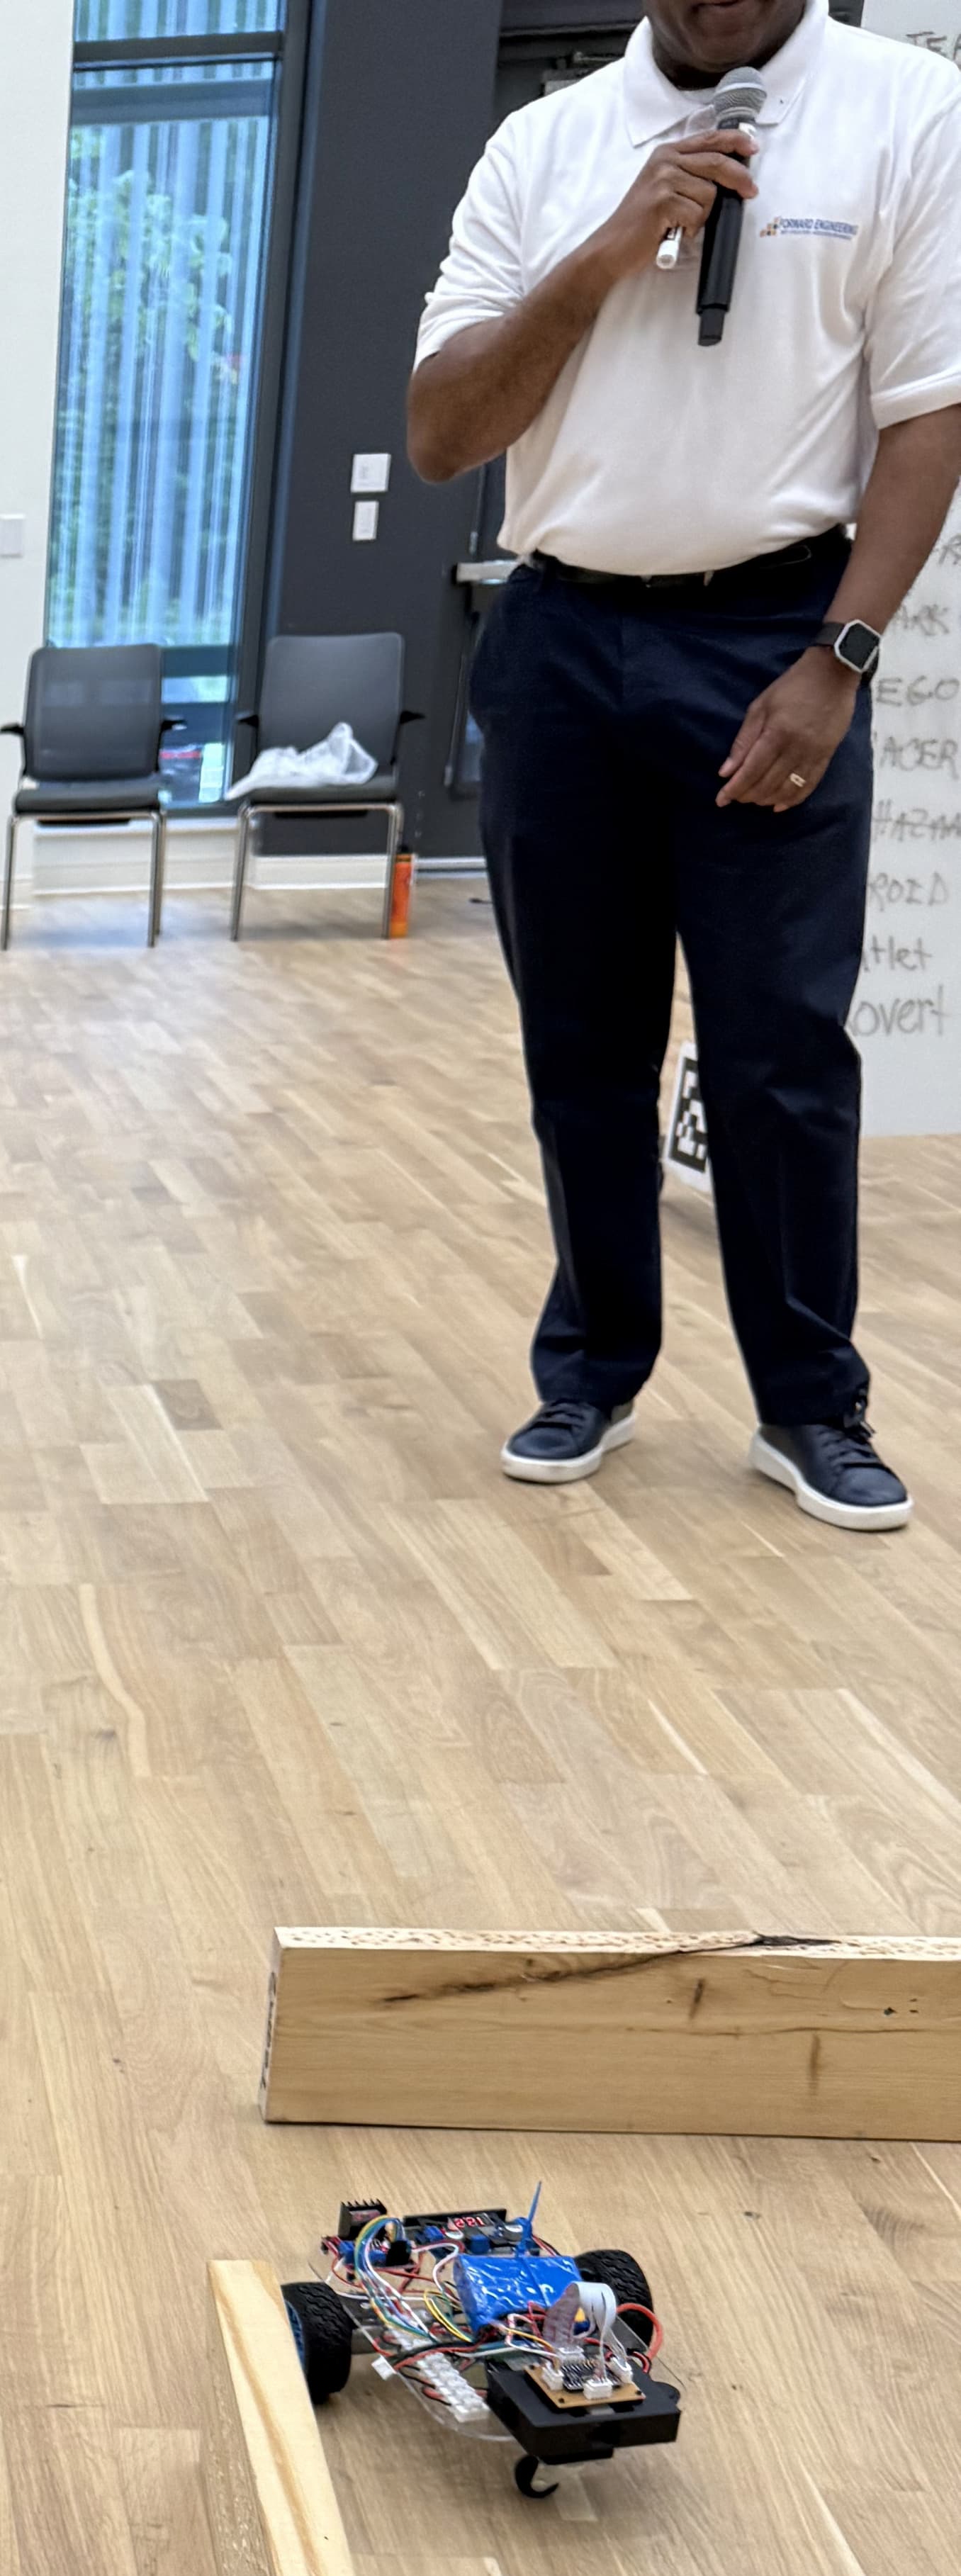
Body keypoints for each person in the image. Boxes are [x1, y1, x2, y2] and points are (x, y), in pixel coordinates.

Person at [410, 0, 961, 1534]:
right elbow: (446, 428)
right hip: (563, 635)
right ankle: (591, 1365)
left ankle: (810, 1406)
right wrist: (598, 257)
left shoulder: (910, 114)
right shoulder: (544, 145)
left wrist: (835, 663)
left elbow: (931, 415)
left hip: (777, 629)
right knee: (581, 1044)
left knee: (782, 1050)